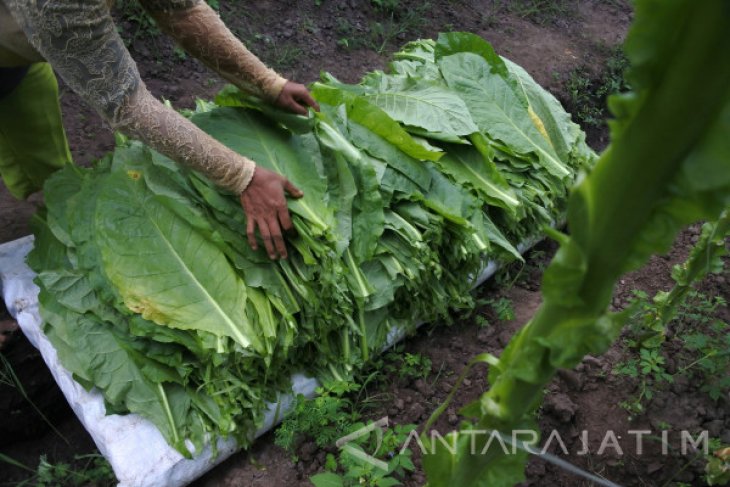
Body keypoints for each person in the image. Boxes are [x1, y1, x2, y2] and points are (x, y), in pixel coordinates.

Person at [0, 0, 320, 351]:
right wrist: (242, 176)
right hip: (34, 22)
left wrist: (266, 82)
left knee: (53, 179)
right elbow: (125, 104)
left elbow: (182, 12)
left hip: (17, 56)